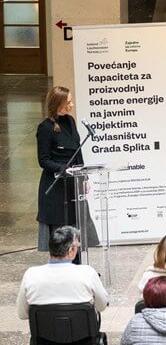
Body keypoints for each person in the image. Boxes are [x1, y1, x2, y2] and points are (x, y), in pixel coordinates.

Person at [17, 225, 109, 345]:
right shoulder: (87, 273)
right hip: (84, 339)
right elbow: (102, 306)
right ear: (71, 250)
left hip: (44, 339)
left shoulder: (31, 275)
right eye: (77, 246)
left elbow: (22, 313)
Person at [35, 86, 97, 257]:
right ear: (58, 103)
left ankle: (77, 265)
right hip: (56, 186)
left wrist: (84, 178)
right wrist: (63, 169)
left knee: (76, 229)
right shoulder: (45, 128)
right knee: (61, 233)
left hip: (73, 183)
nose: (72, 105)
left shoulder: (70, 121)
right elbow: (43, 160)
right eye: (68, 102)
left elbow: (78, 151)